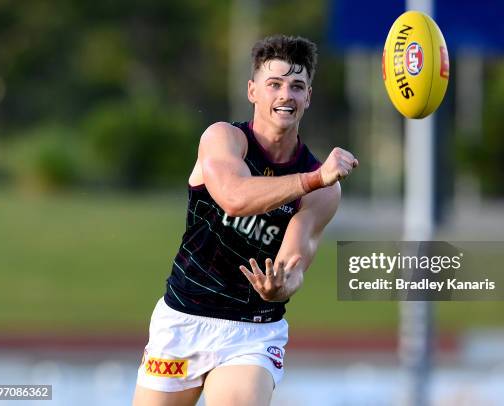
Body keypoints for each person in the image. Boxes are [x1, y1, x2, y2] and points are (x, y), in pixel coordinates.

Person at [133, 34, 358, 406]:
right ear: (253, 90)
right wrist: (314, 178)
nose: (285, 95)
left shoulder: (324, 190)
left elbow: (295, 262)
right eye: (274, 84)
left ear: (309, 97)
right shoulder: (223, 139)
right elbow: (235, 198)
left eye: (297, 86)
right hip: (182, 320)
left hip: (252, 331)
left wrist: (281, 287)